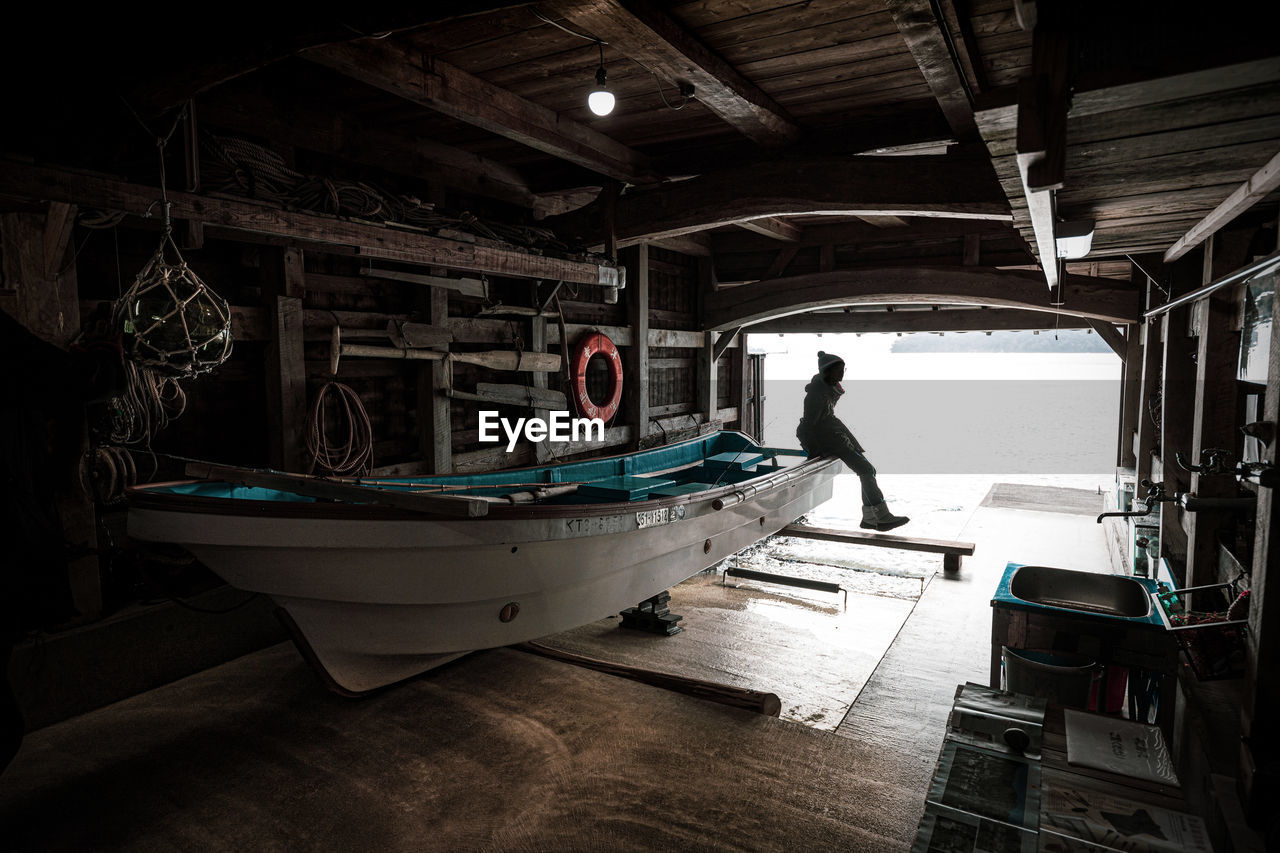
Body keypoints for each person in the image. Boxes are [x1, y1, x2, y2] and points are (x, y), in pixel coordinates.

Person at [796, 351, 909, 532]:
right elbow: (809, 425)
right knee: (866, 469)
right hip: (830, 439)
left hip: (834, 434)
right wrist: (815, 450)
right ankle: (878, 516)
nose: (842, 374)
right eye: (838, 370)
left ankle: (871, 518)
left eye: (843, 370)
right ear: (827, 371)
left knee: (867, 470)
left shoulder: (827, 389)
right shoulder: (816, 395)